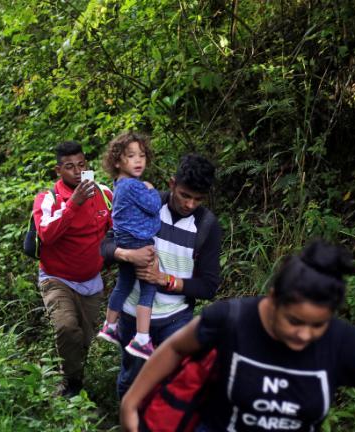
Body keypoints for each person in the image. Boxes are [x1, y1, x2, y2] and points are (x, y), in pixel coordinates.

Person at [120, 241, 355, 432]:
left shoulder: (343, 342)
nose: (305, 335)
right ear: (273, 297)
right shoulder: (231, 320)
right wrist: (131, 403)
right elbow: (176, 348)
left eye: (318, 326)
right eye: (294, 321)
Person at [100, 153, 222, 398]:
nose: (189, 204)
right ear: (172, 183)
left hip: (176, 320)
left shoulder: (207, 226)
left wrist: (163, 280)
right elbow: (105, 246)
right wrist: (126, 255)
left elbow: (209, 286)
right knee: (132, 380)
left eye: (197, 199)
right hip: (132, 315)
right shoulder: (146, 204)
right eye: (185, 195)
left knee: (172, 386)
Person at [33, 140, 113, 397]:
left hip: (91, 280)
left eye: (81, 165)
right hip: (57, 278)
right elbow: (46, 234)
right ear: (59, 171)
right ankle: (71, 386)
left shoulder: (103, 194)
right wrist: (72, 204)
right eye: (69, 167)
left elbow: (115, 228)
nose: (77, 172)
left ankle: (72, 377)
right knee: (67, 328)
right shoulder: (48, 199)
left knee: (83, 340)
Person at [97, 132, 162, 359]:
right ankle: (142, 338)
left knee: (123, 283)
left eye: (142, 156)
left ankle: (110, 325)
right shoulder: (134, 186)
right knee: (149, 286)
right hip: (139, 240)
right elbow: (154, 206)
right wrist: (151, 189)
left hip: (124, 239)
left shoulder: (119, 184)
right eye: (131, 156)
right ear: (117, 161)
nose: (138, 161)